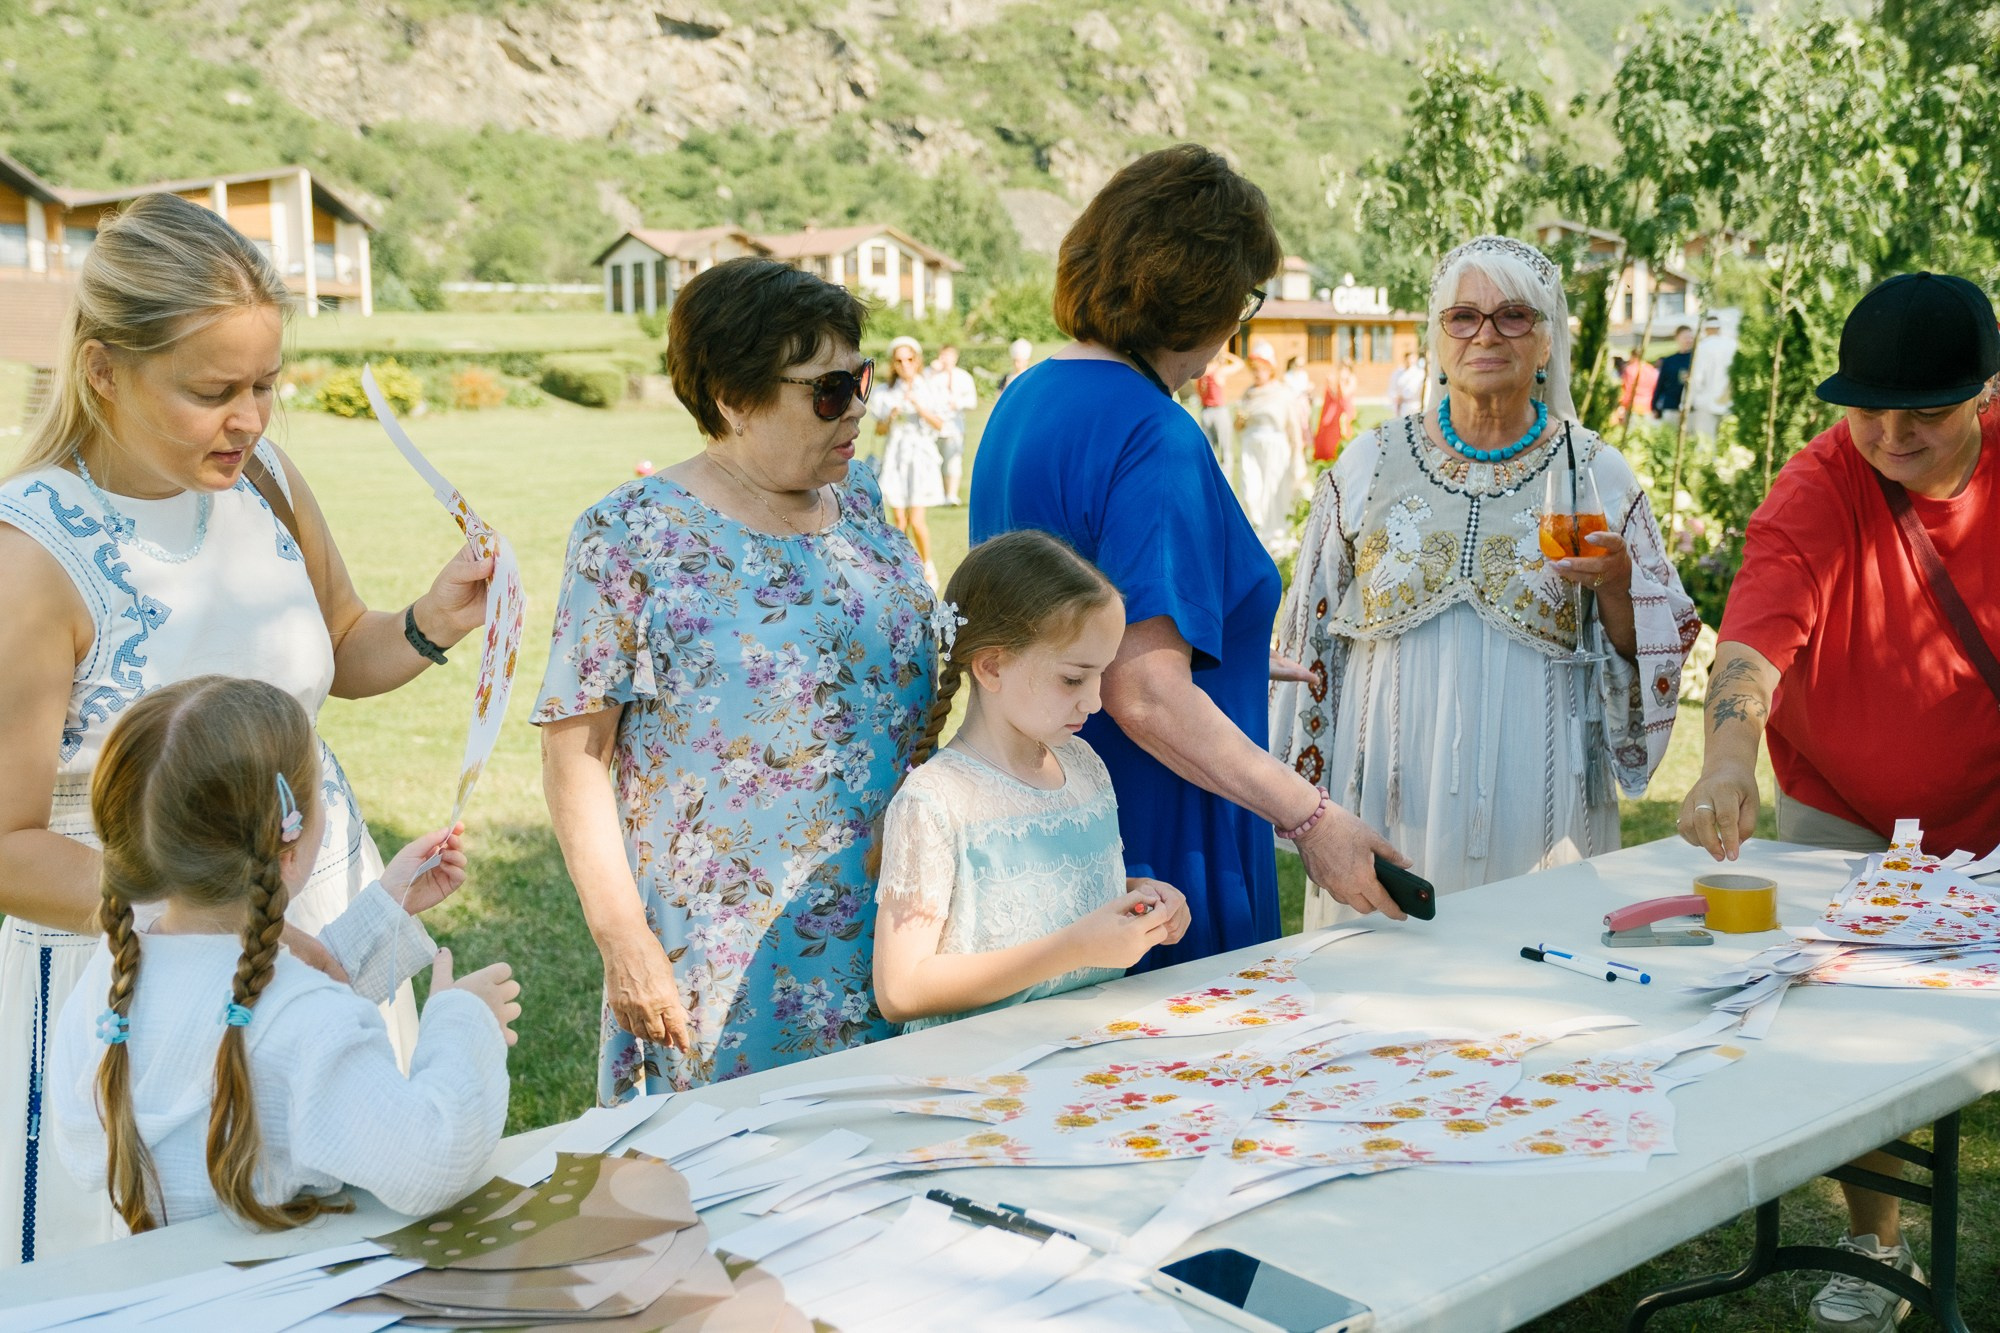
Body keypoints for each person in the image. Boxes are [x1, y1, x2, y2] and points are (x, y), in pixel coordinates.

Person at [0, 193, 491, 1265]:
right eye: (212, 391)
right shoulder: (29, 558)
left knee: (343, 1216)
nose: (252, 419)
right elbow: (6, 844)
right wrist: (210, 922)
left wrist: (430, 620)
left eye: (265, 384)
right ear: (103, 370)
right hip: (133, 970)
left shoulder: (265, 479)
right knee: (172, 1266)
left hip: (308, 901)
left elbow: (340, 646)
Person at [972, 144, 1406, 972]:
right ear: (1205, 295)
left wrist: (1226, 654)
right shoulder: (1153, 432)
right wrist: (1311, 816)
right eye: (1245, 299)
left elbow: (1076, 613)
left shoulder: (1027, 396)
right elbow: (1145, 691)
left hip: (1053, 819)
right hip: (1162, 832)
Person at [1679, 273, 2000, 1331]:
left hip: (1990, 791)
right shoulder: (1818, 484)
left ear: (1984, 393)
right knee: (1848, 1023)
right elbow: (1751, 642)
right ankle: (1876, 1241)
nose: (1890, 437)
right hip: (1845, 801)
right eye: (1868, 410)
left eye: (1922, 413)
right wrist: (1729, 759)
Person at [538, 257, 937, 1103]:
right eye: (828, 390)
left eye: (861, 379)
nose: (858, 406)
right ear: (732, 399)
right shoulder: (631, 535)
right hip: (724, 947)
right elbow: (576, 756)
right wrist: (623, 938)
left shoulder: (863, 503)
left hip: (897, 917)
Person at [1273, 235, 1698, 906]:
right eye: (1463, 316)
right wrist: (1305, 799)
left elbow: (1657, 640)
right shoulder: (1368, 464)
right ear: (1439, 339)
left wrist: (1618, 585)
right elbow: (1308, 635)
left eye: (1514, 316)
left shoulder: (1596, 472)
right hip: (1385, 788)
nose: (1486, 334)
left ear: (1547, 341)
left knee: (1532, 950)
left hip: (1540, 795)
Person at [49, 678, 516, 1234]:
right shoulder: (298, 1017)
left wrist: (383, 911)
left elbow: (259, 1016)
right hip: (289, 1277)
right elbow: (433, 1159)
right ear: (288, 849)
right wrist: (461, 1023)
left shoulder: (113, 978)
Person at [872, 531, 1191, 1028]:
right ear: (992, 666)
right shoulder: (936, 802)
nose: (1094, 701)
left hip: (1090, 1045)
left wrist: (1135, 899)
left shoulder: (1084, 767)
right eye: (1073, 678)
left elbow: (1033, 892)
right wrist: (1074, 947)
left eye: (1102, 675)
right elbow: (901, 989)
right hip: (985, 1064)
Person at [871, 335, 949, 586]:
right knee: (899, 520)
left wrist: (919, 407)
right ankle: (902, 568)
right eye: (899, 361)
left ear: (917, 360)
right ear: (893, 364)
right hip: (896, 456)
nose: (905, 365)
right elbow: (879, 431)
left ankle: (928, 566)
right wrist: (891, 416)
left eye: (909, 359)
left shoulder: (929, 387)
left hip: (920, 456)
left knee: (916, 520)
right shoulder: (885, 392)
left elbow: (940, 424)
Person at [1236, 339, 1308, 556]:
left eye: (1261, 368)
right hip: (1251, 446)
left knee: (1273, 493)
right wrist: (1239, 421)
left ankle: (1274, 538)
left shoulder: (1282, 392)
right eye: (1254, 369)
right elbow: (1238, 425)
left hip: (1275, 448)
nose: (1257, 373)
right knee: (1250, 491)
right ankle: (1256, 532)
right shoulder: (1248, 393)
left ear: (1270, 369)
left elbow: (1293, 426)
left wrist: (1297, 454)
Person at [929, 343, 978, 506]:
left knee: (953, 461)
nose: (945, 360)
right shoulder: (932, 375)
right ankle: (938, 493)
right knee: (934, 460)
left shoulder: (963, 377)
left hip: (954, 425)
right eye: (943, 356)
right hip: (933, 425)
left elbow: (972, 401)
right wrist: (932, 372)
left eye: (949, 356)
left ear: (955, 358)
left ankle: (951, 494)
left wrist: (957, 403)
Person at [1195, 349, 1242, 483]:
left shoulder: (1201, 372)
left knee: (1210, 448)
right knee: (1225, 448)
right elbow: (1239, 364)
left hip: (1205, 411)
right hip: (1219, 411)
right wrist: (1227, 355)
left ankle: (1211, 479)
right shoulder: (1219, 371)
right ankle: (1227, 480)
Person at [1687, 314, 1736, 439]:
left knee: (1706, 440)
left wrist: (1690, 400)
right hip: (1729, 401)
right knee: (1727, 439)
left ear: (1706, 329)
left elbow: (1697, 378)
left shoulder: (1702, 347)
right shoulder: (1732, 345)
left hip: (1706, 402)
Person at [1313, 362, 1358, 463]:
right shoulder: (1341, 379)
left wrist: (1341, 381)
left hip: (1347, 409)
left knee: (1346, 431)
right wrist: (1330, 384)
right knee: (1334, 431)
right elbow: (1336, 395)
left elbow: (1345, 394)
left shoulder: (1352, 379)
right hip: (1339, 409)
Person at [1651, 326, 1695, 425]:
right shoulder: (1669, 361)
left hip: (1691, 407)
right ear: (1677, 338)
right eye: (1685, 337)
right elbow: (1660, 384)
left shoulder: (1696, 358)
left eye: (1691, 337)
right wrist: (1654, 406)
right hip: (1671, 406)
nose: (1688, 340)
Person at [1614, 350, 1657, 427]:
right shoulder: (1652, 370)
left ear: (1633, 356)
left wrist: (1622, 405)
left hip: (1633, 405)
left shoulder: (1630, 370)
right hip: (1647, 406)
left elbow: (1626, 390)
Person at [1387, 351, 1426, 419]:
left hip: (1414, 406)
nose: (1409, 361)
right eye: (1408, 359)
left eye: (1412, 359)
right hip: (1401, 406)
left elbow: (1416, 390)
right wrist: (1396, 398)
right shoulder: (1398, 373)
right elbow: (1392, 388)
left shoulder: (1420, 373)